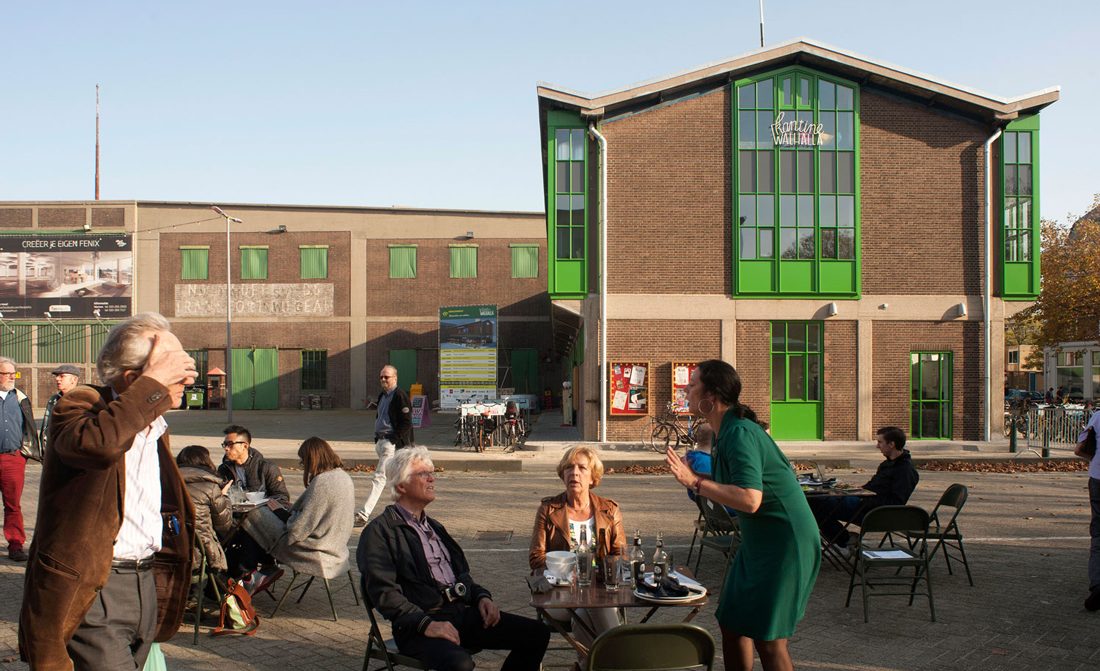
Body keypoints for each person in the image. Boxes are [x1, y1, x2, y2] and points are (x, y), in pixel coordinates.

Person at [19, 312, 196, 670]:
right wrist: (155, 384)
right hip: (94, 589)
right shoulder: (80, 406)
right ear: (136, 378)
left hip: (144, 581)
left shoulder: (152, 424)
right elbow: (97, 445)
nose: (188, 378)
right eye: (175, 369)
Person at [665, 360, 819, 671]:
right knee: (732, 623)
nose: (686, 390)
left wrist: (695, 482)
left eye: (692, 385)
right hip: (758, 542)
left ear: (712, 397)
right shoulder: (725, 432)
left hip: (786, 543)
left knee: (769, 639)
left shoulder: (740, 433)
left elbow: (750, 500)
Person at [359, 446, 550, 671]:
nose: (432, 478)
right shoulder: (380, 532)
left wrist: (481, 597)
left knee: (537, 633)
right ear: (401, 485)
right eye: (423, 474)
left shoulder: (434, 527)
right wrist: (426, 624)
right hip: (418, 626)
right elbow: (384, 594)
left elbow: (462, 576)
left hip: (460, 614)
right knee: (459, 664)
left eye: (432, 473)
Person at [529, 446, 625, 655]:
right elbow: (536, 558)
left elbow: (620, 555)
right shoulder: (548, 509)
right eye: (569, 468)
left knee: (586, 608)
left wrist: (602, 575)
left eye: (582, 468)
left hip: (601, 594)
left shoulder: (609, 509)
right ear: (562, 474)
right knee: (588, 607)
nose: (574, 473)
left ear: (593, 477)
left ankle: (586, 665)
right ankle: (622, 659)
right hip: (559, 595)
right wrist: (565, 570)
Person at [240, 437, 356, 582]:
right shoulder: (342, 476)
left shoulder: (322, 482)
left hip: (315, 549)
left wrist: (279, 512)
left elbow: (297, 530)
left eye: (303, 461)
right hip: (336, 545)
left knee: (253, 515)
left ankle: (250, 574)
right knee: (263, 517)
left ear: (311, 459)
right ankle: (263, 568)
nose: (302, 465)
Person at [807, 426, 919, 552]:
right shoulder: (887, 464)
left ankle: (844, 539)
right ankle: (844, 539)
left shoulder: (905, 471)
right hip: (862, 503)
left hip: (872, 512)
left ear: (891, 444)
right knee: (814, 501)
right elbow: (871, 487)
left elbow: (895, 502)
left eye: (880, 442)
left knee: (814, 503)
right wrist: (853, 489)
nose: (877, 446)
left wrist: (862, 498)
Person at [356, 364, 414, 525]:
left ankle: (363, 514)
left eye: (386, 377)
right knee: (398, 479)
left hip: (391, 443)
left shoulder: (400, 396)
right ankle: (408, 512)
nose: (383, 379)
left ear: (395, 378)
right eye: (381, 376)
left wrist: (393, 439)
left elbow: (407, 422)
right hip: (381, 441)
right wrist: (378, 439)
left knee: (379, 477)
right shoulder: (382, 396)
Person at [0, 356, 39, 562]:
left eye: (13, 373)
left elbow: (29, 427)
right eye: (6, 373)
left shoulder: (21, 398)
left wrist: (25, 454)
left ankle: (15, 545)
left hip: (13, 459)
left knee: (13, 505)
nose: (11, 377)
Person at [176, 445, 235, 580]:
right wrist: (224, 496)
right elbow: (224, 525)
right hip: (201, 552)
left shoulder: (165, 483)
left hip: (168, 548)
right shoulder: (211, 487)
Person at [217, 424, 290, 506]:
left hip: (262, 514)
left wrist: (261, 504)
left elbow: (282, 497)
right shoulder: (224, 469)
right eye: (225, 445)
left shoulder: (266, 467)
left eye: (230, 444)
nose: (226, 448)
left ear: (245, 446)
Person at [1076, 412, 1100, 611]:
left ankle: (1097, 585)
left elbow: (1080, 449)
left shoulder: (1097, 417)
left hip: (1098, 477)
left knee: (1098, 533)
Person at [38, 363, 80, 459]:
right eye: (57, 376)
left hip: (73, 454)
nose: (57, 379)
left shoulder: (82, 399)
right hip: (53, 453)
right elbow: (46, 426)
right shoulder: (54, 400)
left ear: (74, 380)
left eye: (62, 376)